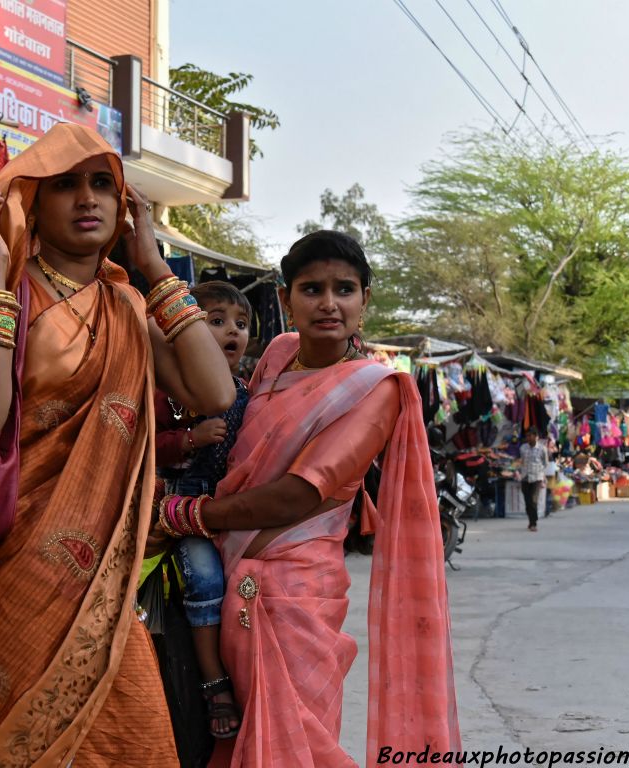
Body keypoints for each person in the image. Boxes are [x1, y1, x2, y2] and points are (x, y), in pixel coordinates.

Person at [0, 123, 236, 768]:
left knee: (131, 735)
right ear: (31, 202)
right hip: (11, 569)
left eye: (102, 183)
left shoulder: (125, 304)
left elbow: (215, 395)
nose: (87, 198)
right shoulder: (6, 287)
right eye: (65, 184)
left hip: (102, 582)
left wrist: (154, 267)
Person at [154, 231, 461, 766]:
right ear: (283, 298)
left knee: (298, 743)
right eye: (311, 288)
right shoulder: (275, 355)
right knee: (232, 740)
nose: (328, 303)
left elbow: (298, 494)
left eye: (344, 289)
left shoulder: (375, 388)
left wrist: (183, 514)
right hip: (228, 577)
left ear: (366, 298)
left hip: (296, 593)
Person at [153, 280, 250, 739]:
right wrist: (188, 439)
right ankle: (216, 685)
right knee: (207, 579)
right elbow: (137, 446)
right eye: (216, 322)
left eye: (241, 324)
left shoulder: (247, 394)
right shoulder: (165, 393)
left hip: (228, 507)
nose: (232, 331)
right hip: (177, 507)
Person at [519, 427, 548, 531]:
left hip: (536, 478)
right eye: (527, 436)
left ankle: (533, 523)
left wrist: (541, 475)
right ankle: (531, 520)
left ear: (536, 437)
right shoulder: (523, 448)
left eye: (530, 436)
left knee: (533, 500)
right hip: (525, 477)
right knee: (527, 502)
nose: (528, 438)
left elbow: (545, 463)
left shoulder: (542, 449)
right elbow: (520, 461)